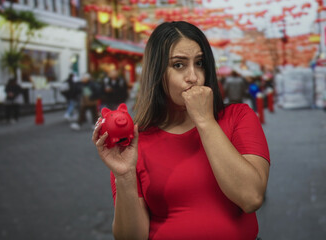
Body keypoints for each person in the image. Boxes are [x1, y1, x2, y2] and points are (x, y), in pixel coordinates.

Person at [92, 21, 270, 240]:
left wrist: (204, 121)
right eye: (179, 65)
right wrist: (125, 175)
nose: (194, 77)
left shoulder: (238, 117)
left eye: (200, 63)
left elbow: (251, 197)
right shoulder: (135, 141)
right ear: (156, 73)